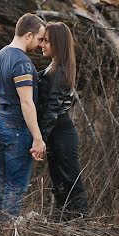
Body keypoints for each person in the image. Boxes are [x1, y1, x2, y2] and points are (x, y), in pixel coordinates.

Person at [0, 13, 46, 218]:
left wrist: (0, 119)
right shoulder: (21, 63)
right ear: (28, 35)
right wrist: (38, 138)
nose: (40, 44)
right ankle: (5, 233)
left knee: (2, 181)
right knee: (15, 185)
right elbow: (26, 102)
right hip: (16, 130)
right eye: (40, 39)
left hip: (0, 124)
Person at [37, 21, 88, 220]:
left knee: (70, 183)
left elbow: (51, 111)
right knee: (58, 184)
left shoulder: (60, 70)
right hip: (56, 136)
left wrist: (39, 139)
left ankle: (80, 225)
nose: (42, 45)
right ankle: (62, 224)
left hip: (62, 136)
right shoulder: (53, 66)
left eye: (46, 41)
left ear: (58, 44)